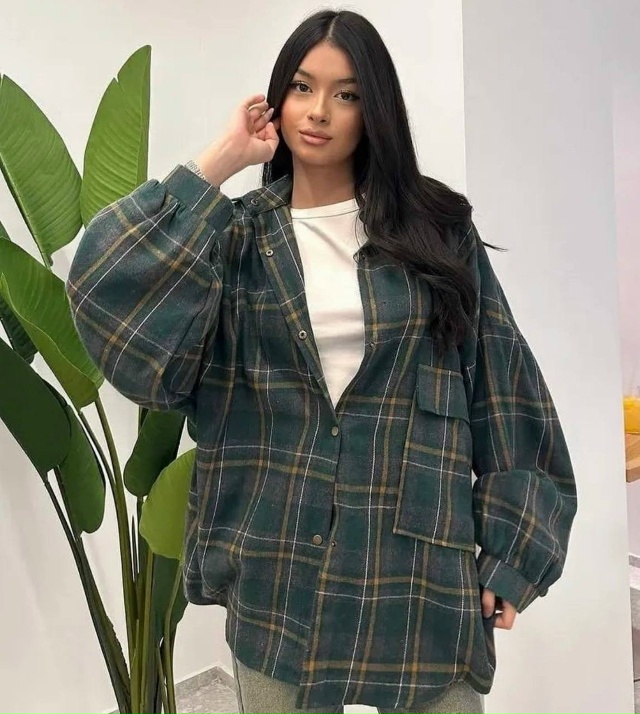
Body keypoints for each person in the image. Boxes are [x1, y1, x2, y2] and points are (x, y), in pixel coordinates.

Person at [66, 8, 577, 714]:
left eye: (347, 94)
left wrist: (514, 548)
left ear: (375, 111)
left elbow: (506, 389)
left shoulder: (437, 233)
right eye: (303, 88)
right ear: (278, 98)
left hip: (418, 569)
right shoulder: (238, 239)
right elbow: (106, 289)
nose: (319, 112)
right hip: (279, 570)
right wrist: (221, 160)